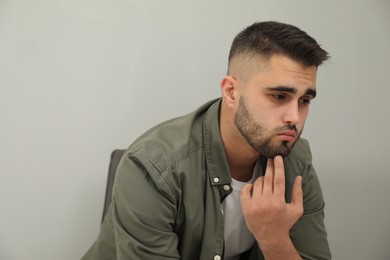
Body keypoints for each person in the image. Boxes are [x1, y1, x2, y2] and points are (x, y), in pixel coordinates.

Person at [82, 21, 331, 260]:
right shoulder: (152, 167)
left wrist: (274, 239)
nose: (295, 117)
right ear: (231, 92)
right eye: (279, 96)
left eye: (304, 100)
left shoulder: (295, 160)